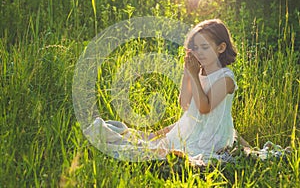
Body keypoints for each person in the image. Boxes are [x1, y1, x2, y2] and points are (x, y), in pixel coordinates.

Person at [85, 19, 250, 162]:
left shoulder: (225, 78)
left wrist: (193, 75)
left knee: (161, 151)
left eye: (205, 47)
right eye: (196, 48)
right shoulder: (198, 72)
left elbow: (204, 108)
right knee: (147, 143)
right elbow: (185, 105)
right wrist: (188, 74)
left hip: (211, 136)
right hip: (192, 126)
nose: (199, 52)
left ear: (221, 48)